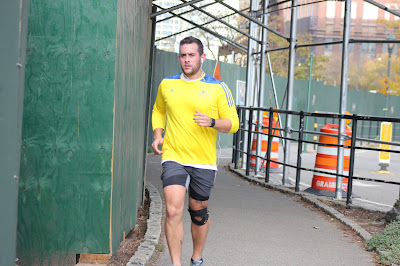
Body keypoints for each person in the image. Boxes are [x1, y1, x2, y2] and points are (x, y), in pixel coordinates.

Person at [151, 36, 239, 266]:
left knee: (198, 213)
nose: (186, 60)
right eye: (183, 55)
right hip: (174, 156)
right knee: (172, 210)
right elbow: (158, 110)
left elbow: (234, 123)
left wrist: (211, 121)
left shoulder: (218, 88)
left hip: (203, 161)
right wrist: (158, 135)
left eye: (191, 55)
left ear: (202, 57)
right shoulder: (167, 84)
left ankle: (196, 258)